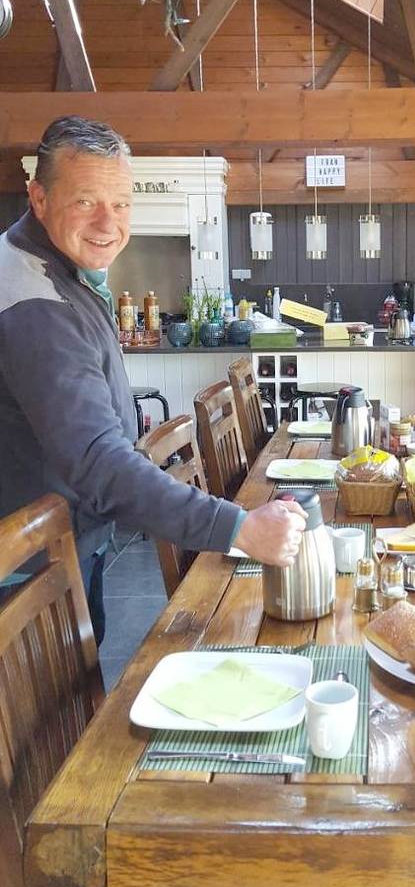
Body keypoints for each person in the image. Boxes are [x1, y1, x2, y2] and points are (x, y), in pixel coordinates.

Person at [0, 116, 306, 644]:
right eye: (85, 201)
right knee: (63, 727)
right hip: (29, 572)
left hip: (56, 546)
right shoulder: (36, 307)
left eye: (120, 203)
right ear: (39, 198)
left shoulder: (52, 266)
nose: (108, 222)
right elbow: (98, 462)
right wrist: (239, 528)